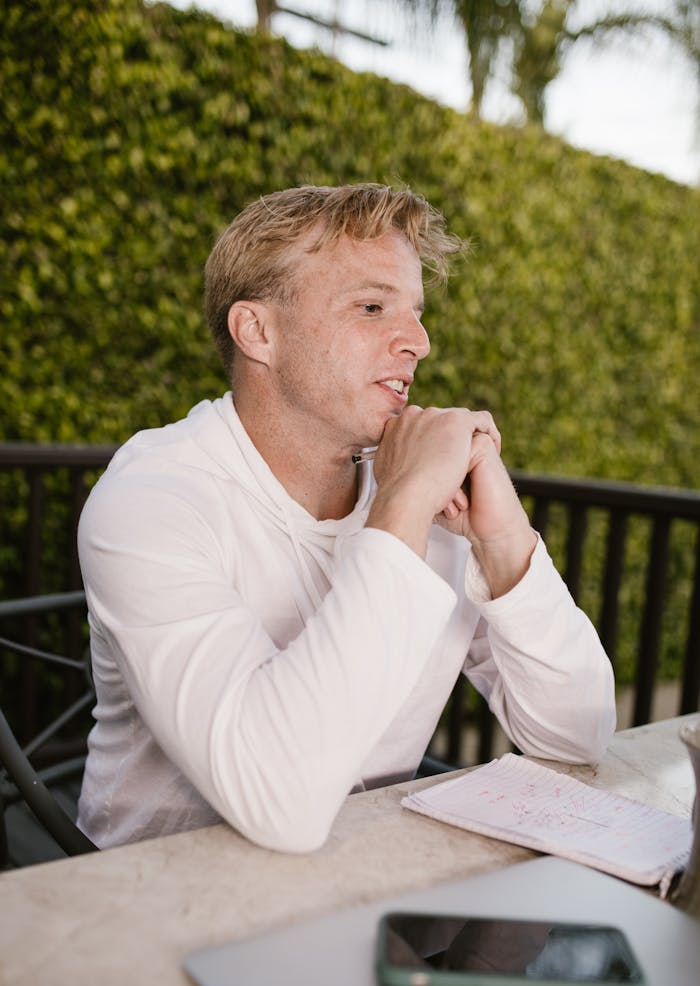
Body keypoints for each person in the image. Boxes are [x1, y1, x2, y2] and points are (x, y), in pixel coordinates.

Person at [77, 183, 615, 853]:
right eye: (371, 307)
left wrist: (503, 543)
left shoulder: (434, 491)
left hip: (364, 887)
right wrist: (401, 507)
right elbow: (280, 806)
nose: (418, 342)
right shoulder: (154, 498)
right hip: (144, 908)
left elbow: (578, 737)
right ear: (257, 332)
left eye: (417, 313)